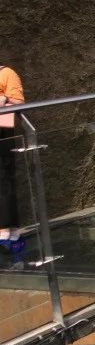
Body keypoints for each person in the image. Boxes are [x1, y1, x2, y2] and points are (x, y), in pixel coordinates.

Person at [0, 64, 26, 265]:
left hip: (2, 136)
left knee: (4, 183)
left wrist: (3, 100)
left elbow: (17, 104)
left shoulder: (6, 73)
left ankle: (9, 234)